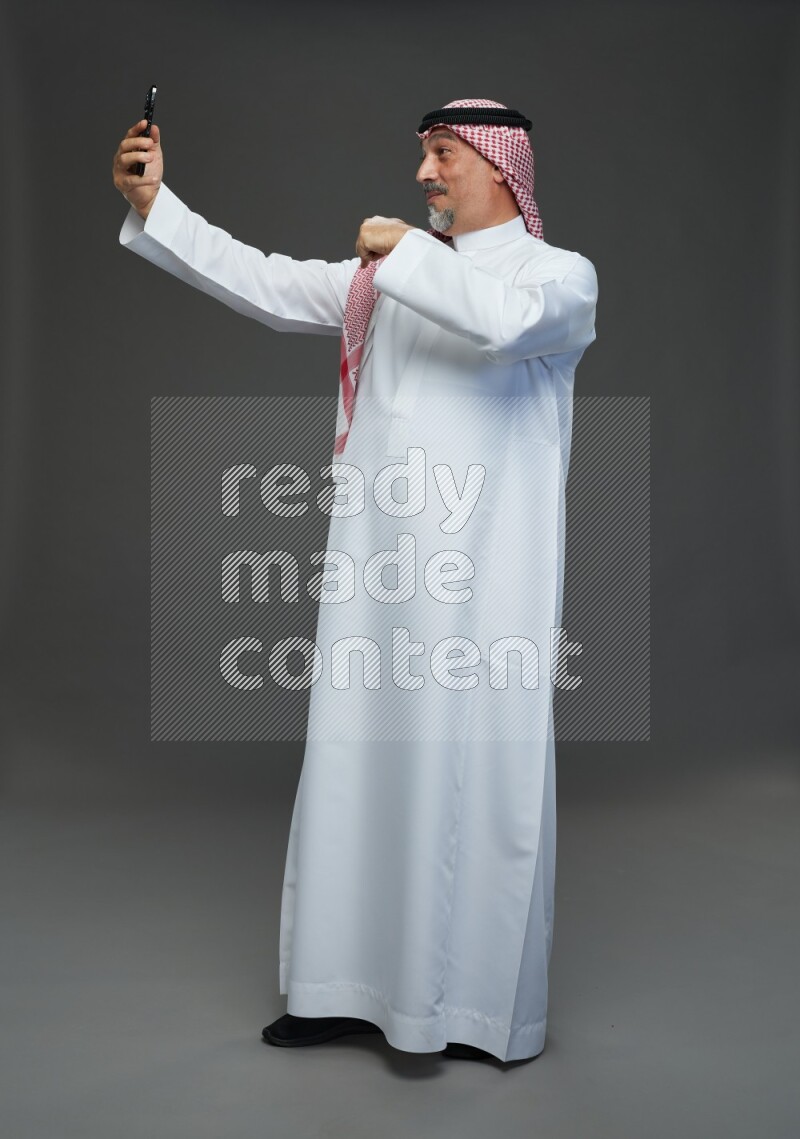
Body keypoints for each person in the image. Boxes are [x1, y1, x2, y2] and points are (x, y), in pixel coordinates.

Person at [112, 97, 598, 1065]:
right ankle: (340, 985)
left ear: (501, 168)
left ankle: (466, 1009)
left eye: (441, 155)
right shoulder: (385, 281)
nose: (422, 175)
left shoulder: (556, 278)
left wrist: (399, 253)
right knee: (355, 766)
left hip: (479, 593)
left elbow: (499, 322)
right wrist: (158, 202)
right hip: (375, 577)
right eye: (422, 155)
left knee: (468, 780)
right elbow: (263, 281)